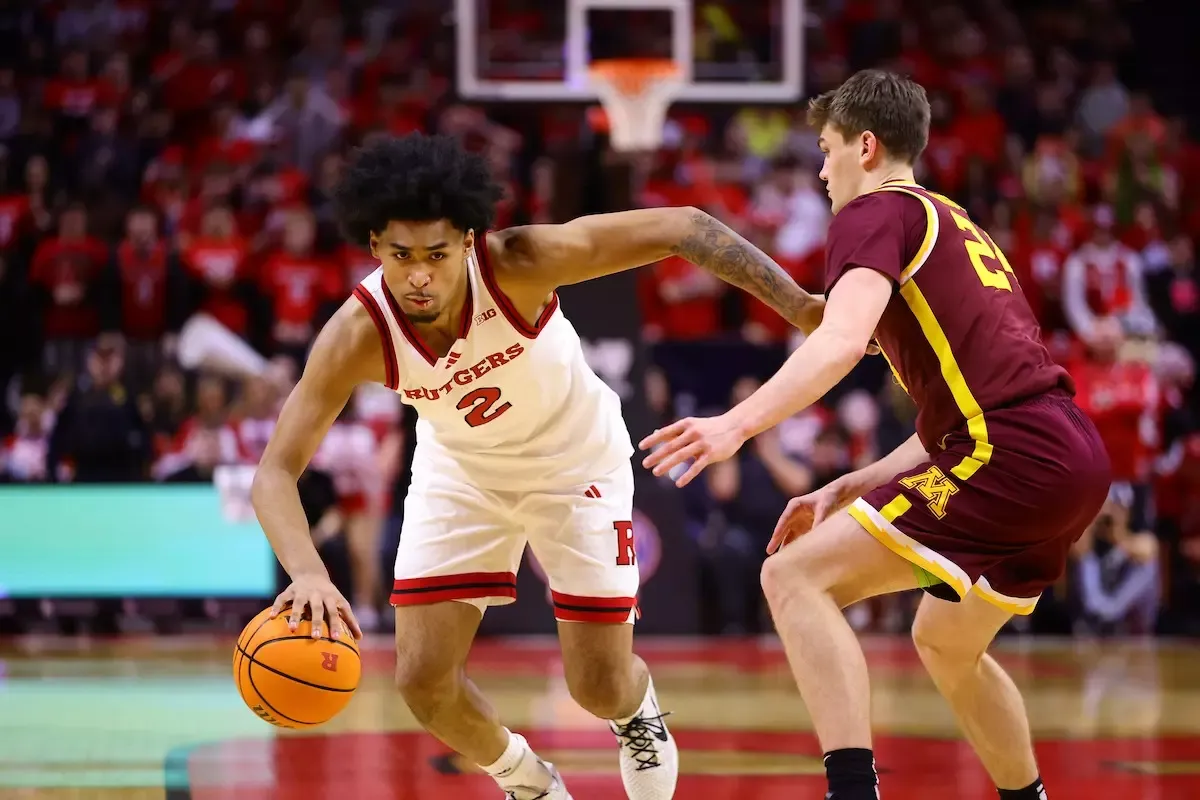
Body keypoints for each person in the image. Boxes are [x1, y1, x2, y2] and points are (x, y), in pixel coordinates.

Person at [252, 132, 827, 800]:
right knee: (421, 682)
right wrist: (308, 575)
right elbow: (274, 471)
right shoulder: (357, 332)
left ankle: (638, 715)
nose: (418, 275)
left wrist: (801, 307)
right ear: (375, 245)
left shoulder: (518, 262)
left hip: (574, 463)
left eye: (436, 255)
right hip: (461, 472)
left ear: (467, 241)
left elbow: (684, 227)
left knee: (599, 686)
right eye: (401, 255)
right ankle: (527, 784)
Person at [641, 69, 1112, 800]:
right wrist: (849, 484)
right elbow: (956, 413)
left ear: (866, 146)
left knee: (792, 577)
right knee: (945, 645)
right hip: (1063, 452)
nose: (823, 169)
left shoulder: (874, 212)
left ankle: (852, 795)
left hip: (1012, 450)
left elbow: (836, 344)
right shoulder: (955, 220)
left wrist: (733, 426)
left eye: (827, 149)